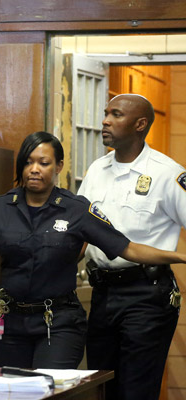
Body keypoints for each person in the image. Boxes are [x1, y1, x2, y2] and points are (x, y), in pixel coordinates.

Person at [0, 131, 186, 370]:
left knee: (49, 390)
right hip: (11, 321)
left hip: (58, 322)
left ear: (59, 166)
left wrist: (180, 257)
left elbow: (127, 248)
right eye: (28, 162)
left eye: (43, 163)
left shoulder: (76, 210)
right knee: (13, 391)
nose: (34, 169)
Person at [77, 94, 186, 400]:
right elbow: (80, 229)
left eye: (116, 115)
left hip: (146, 295)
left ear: (140, 125)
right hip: (103, 293)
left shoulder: (167, 173)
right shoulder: (97, 170)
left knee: (135, 391)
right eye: (105, 113)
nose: (105, 121)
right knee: (100, 387)